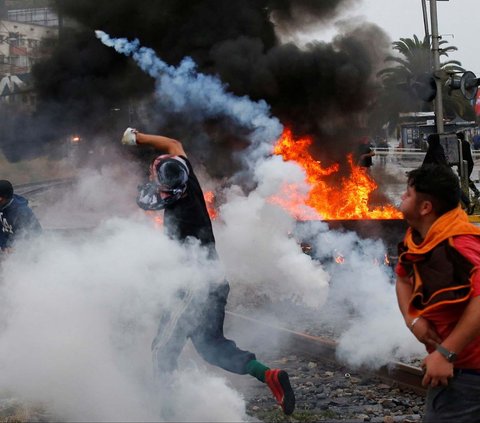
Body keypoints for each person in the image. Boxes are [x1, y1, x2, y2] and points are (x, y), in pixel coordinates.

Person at [121, 128, 295, 415]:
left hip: (192, 286)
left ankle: (166, 414)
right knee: (211, 346)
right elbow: (174, 142)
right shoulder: (186, 176)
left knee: (162, 349)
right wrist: (138, 137)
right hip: (214, 280)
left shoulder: (176, 208)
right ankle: (269, 376)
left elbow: (147, 201)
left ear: (165, 190)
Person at [395, 163, 480, 423]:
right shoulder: (418, 240)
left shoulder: (458, 245)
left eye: (408, 194)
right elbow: (402, 279)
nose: (401, 198)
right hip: (455, 366)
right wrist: (415, 322)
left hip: (470, 373)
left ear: (425, 207)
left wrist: (446, 353)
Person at [422, 133, 474, 214]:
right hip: (443, 174)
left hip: (440, 176)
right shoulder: (438, 148)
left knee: (445, 192)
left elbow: (433, 163)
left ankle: (457, 208)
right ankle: (466, 204)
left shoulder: (435, 150)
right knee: (454, 189)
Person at [0, 180, 42, 252]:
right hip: (8, 245)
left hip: (26, 249)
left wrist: (17, 249)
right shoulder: (2, 205)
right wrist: (4, 245)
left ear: (2, 198)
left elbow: (32, 234)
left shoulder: (21, 212)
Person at [457, 131, 480, 198]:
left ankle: (474, 192)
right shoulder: (464, 143)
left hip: (466, 164)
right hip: (466, 164)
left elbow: (462, 154)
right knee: (465, 179)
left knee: (466, 179)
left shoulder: (462, 143)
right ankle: (472, 192)